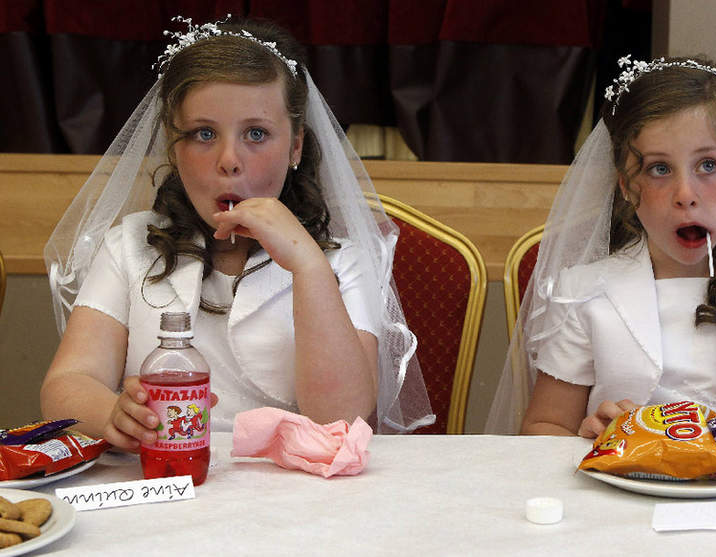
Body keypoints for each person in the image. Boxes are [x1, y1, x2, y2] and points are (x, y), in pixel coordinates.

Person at [41, 17, 433, 451]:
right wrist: (112, 414)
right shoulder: (130, 246)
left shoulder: (340, 260)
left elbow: (339, 418)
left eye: (256, 134)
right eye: (204, 134)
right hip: (168, 474)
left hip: (291, 482)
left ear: (296, 146)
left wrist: (308, 266)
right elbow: (68, 381)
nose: (229, 160)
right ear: (173, 146)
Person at [486, 55, 716, 436]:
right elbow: (545, 426)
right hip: (624, 474)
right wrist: (591, 438)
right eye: (660, 169)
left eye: (708, 165)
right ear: (626, 185)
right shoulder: (583, 293)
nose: (685, 195)